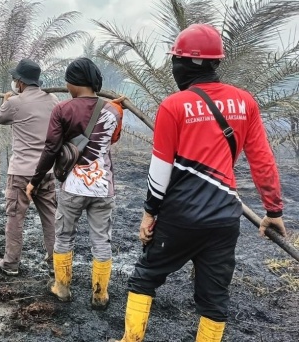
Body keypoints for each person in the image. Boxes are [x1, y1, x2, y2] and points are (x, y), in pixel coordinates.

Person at [109, 24, 286, 342]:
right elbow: (262, 160)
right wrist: (273, 210)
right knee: (214, 300)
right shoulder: (245, 102)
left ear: (186, 64)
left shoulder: (173, 106)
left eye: (176, 59)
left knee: (145, 277)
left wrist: (149, 213)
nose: (174, 65)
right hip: (224, 219)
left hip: (180, 217)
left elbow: (160, 169)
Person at [26, 57, 124, 309]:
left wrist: (34, 181)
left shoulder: (63, 109)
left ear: (73, 83)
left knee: (64, 236)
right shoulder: (114, 110)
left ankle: (62, 288)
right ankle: (100, 295)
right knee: (102, 240)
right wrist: (114, 108)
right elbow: (112, 138)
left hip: (73, 187)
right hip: (103, 187)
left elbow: (50, 148)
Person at [0, 58, 59, 276]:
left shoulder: (14, 103)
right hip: (46, 171)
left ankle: (10, 264)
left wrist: (6, 100)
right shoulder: (54, 100)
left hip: (21, 172)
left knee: (15, 217)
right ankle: (56, 262)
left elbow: (0, 118)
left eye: (14, 79)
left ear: (19, 82)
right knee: (50, 218)